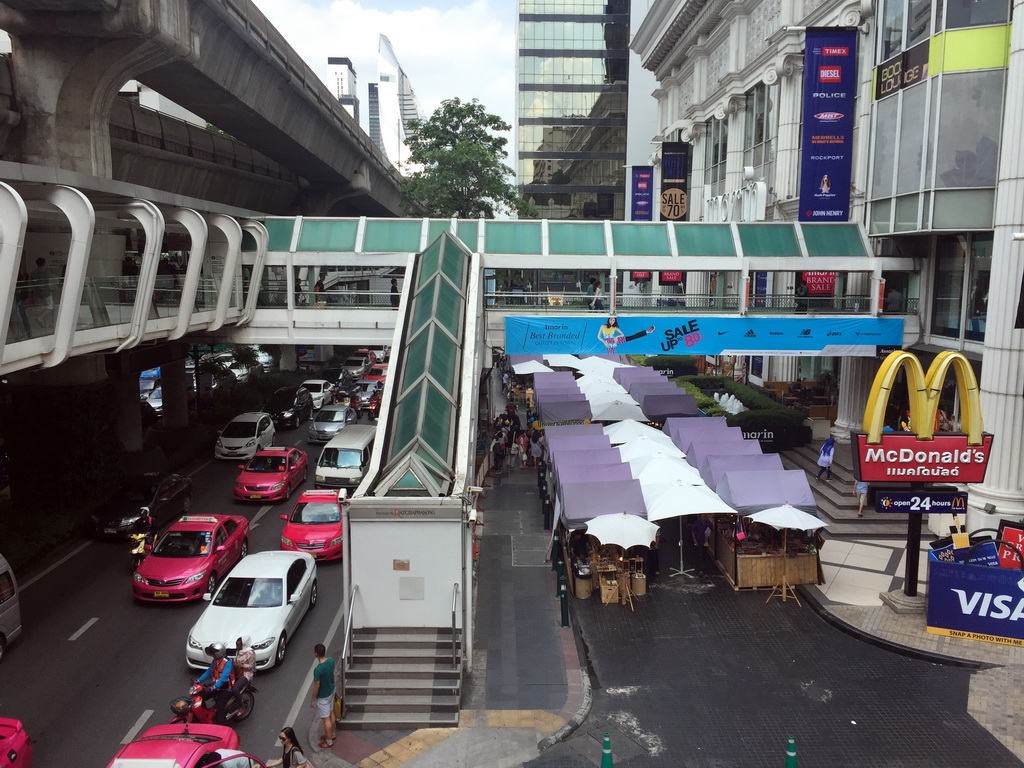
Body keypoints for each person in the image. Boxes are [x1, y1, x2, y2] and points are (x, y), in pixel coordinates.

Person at [214, 635, 255, 726]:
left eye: (239, 645)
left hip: (246, 674)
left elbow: (251, 667)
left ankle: (242, 707)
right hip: (237, 672)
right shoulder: (238, 652)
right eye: (237, 645)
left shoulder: (250, 653)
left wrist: (240, 665)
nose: (237, 647)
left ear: (243, 644)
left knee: (235, 689)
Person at [196, 642, 234, 722]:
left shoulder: (228, 663)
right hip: (215, 687)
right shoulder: (215, 661)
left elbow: (224, 678)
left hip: (226, 689)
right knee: (200, 696)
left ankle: (222, 727)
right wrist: (198, 681)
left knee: (220, 711)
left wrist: (214, 687)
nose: (212, 654)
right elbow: (208, 672)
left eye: (214, 653)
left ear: (218, 653)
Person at [310, 643, 336, 749]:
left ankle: (329, 741)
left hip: (323, 697)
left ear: (316, 654)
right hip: (331, 692)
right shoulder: (331, 661)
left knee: (326, 719)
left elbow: (316, 686)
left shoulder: (318, 670)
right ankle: (332, 734)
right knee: (331, 712)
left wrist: (312, 699)